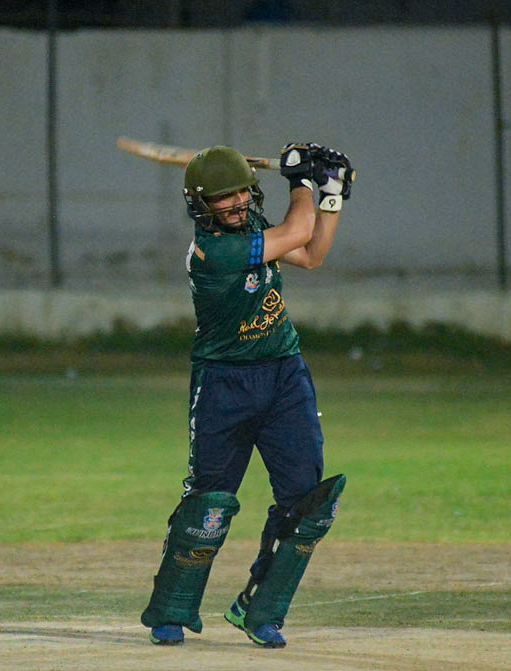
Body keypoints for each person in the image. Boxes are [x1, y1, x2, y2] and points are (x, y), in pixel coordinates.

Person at [140, 142, 354, 648]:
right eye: (223, 196)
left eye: (241, 191)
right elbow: (296, 232)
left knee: (306, 502)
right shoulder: (212, 252)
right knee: (209, 505)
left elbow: (312, 253)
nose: (237, 202)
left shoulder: (254, 230)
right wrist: (301, 180)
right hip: (223, 384)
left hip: (284, 376)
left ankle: (259, 611)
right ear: (201, 205)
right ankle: (171, 611)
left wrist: (331, 192)